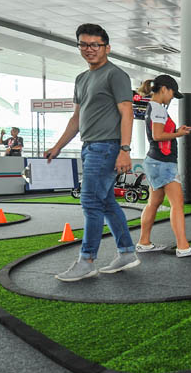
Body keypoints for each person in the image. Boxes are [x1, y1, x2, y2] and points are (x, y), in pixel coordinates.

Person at [46, 23, 138, 281]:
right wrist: (57, 146)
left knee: (90, 203)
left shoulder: (115, 75)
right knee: (106, 203)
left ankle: (87, 261)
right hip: (89, 147)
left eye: (95, 44)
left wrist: (125, 149)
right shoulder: (81, 79)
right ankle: (127, 252)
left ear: (107, 47)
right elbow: (76, 118)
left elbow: (127, 113)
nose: (89, 49)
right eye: (84, 44)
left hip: (107, 147)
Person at [134, 75, 191, 258]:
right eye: (172, 93)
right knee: (177, 204)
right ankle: (183, 247)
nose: (172, 98)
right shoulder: (158, 108)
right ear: (164, 89)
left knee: (154, 203)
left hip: (155, 161)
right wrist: (178, 135)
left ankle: (144, 242)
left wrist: (176, 131)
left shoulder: (153, 107)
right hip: (163, 163)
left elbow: (159, 134)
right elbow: (158, 136)